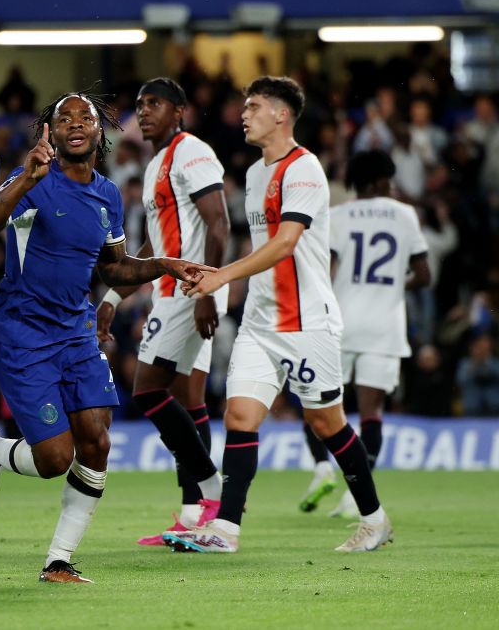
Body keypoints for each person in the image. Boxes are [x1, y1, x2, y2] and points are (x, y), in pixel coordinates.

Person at [0, 91, 211, 583]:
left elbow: (116, 268)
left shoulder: (106, 195)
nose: (76, 125)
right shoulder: (32, 178)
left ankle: (59, 559)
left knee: (96, 443)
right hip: (23, 332)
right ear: (50, 132)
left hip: (76, 331)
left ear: (101, 131)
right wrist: (25, 179)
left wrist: (164, 264)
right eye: (65, 119)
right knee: (56, 459)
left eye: (86, 118)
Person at [167, 76, 393, 554]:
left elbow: (286, 242)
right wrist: (213, 274)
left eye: (252, 106)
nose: (243, 115)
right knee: (240, 415)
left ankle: (374, 520)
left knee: (326, 423)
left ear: (281, 114)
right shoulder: (253, 175)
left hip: (307, 322)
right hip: (260, 321)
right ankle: (226, 530)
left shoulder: (305, 168)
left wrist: (222, 276)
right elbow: (259, 248)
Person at [94, 78, 228, 546]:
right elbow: (157, 246)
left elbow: (219, 221)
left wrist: (207, 289)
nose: (144, 111)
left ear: (180, 111)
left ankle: (214, 491)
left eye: (155, 103)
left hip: (189, 289)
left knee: (147, 391)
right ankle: (197, 516)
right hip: (178, 287)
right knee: (190, 400)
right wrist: (113, 297)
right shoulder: (155, 166)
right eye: (139, 104)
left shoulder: (191, 151)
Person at [299, 150, 429, 517]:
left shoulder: (338, 216)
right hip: (385, 328)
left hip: (339, 322)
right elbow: (425, 276)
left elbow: (325, 268)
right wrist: (392, 286)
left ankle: (322, 467)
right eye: (388, 179)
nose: (391, 186)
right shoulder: (405, 215)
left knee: (317, 406)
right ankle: (356, 496)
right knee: (372, 413)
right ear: (377, 181)